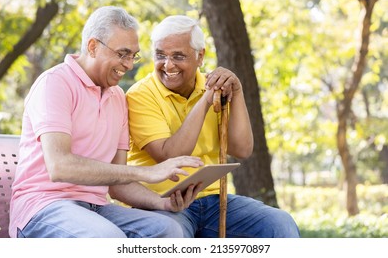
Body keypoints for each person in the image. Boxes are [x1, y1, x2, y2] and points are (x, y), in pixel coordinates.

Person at [9, 7, 204, 238]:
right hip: (43, 206)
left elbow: (117, 183)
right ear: (93, 47)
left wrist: (163, 204)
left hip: (96, 207)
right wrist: (147, 172)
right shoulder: (55, 83)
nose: (129, 64)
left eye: (133, 55)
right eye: (122, 54)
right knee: (107, 238)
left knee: (169, 230)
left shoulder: (118, 98)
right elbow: (60, 166)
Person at [126, 15, 300, 238]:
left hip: (214, 200)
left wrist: (237, 92)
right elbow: (170, 155)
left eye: (178, 56)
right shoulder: (140, 95)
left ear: (200, 56)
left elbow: (242, 149)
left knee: (279, 223)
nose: (168, 65)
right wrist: (205, 101)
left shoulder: (216, 88)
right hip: (163, 202)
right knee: (171, 234)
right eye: (160, 55)